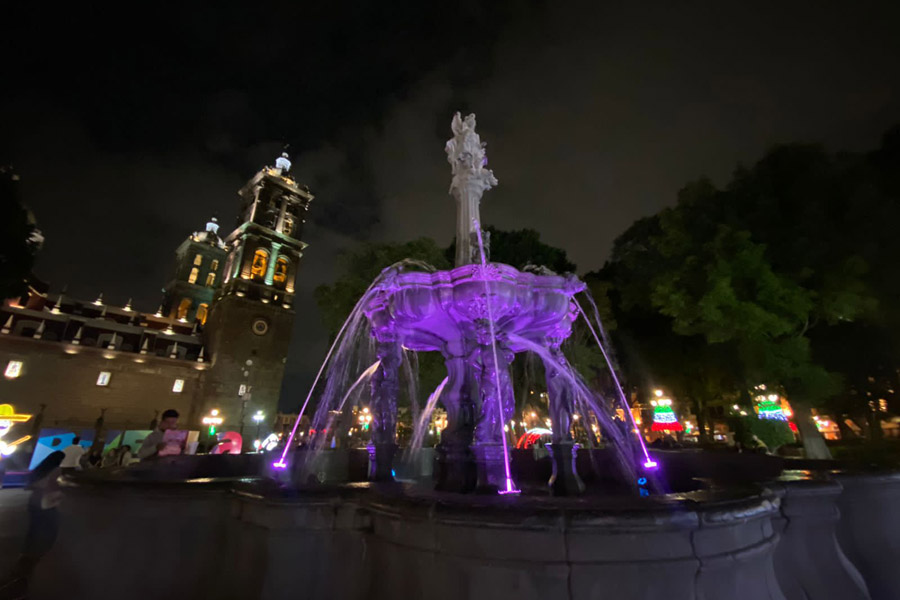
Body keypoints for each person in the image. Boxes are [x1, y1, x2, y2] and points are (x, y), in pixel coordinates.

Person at [0, 451, 65, 597]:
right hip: (46, 506)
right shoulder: (57, 472)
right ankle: (19, 581)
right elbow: (54, 492)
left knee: (34, 534)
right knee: (42, 539)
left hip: (34, 502)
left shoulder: (41, 469)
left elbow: (29, 486)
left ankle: (16, 574)